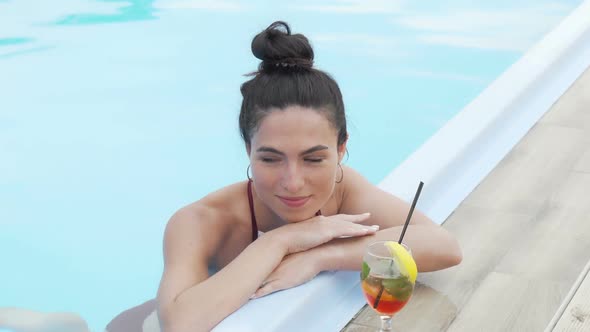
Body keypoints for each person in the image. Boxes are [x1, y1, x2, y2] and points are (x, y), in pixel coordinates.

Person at [156, 21, 462, 332]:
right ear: (249, 148)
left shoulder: (343, 189)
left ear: (341, 149)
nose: (293, 182)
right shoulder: (202, 221)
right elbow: (180, 324)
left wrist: (321, 256)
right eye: (271, 158)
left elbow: (443, 246)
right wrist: (280, 240)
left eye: (313, 159)